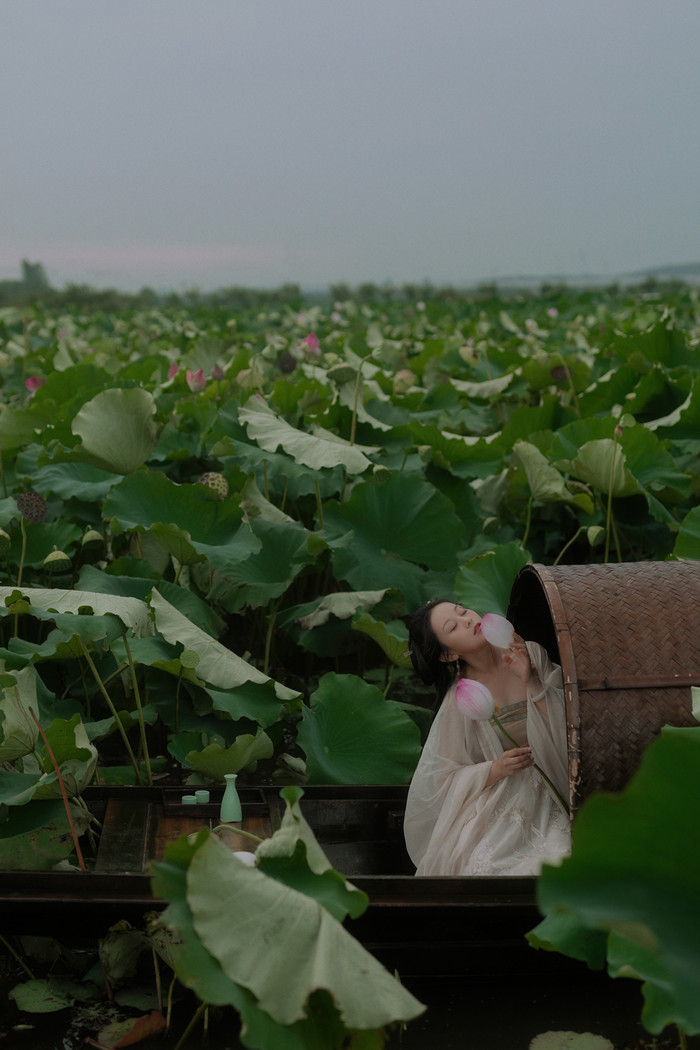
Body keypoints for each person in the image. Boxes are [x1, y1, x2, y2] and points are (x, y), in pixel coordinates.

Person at [404, 599, 571, 876]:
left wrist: (531, 679)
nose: (468, 619)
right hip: (504, 799)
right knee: (494, 868)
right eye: (453, 626)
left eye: (463, 611)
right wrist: (496, 768)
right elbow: (439, 778)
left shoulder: (529, 654)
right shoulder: (463, 697)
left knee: (560, 856)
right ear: (447, 655)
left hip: (554, 781)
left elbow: (572, 721)